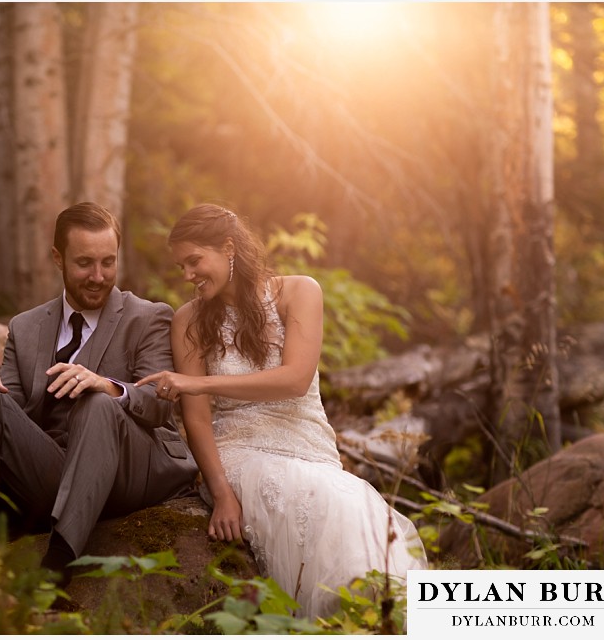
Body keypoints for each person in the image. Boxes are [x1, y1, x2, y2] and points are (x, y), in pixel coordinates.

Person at [137, 203, 427, 619]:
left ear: (229, 248)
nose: (187, 276)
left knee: (352, 505)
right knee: (300, 492)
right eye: (181, 266)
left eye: (195, 261)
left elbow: (294, 379)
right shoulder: (188, 320)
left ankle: (378, 620)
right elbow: (197, 419)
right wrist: (221, 494)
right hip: (240, 450)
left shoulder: (300, 292)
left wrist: (199, 383)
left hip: (310, 446)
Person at [0, 201, 198, 586]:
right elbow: (8, 408)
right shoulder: (25, 326)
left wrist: (106, 384)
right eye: (84, 263)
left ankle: (59, 563)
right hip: (52, 470)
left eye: (108, 262)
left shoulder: (148, 317)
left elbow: (158, 407)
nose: (98, 276)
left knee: (97, 402)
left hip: (125, 470)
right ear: (57, 258)